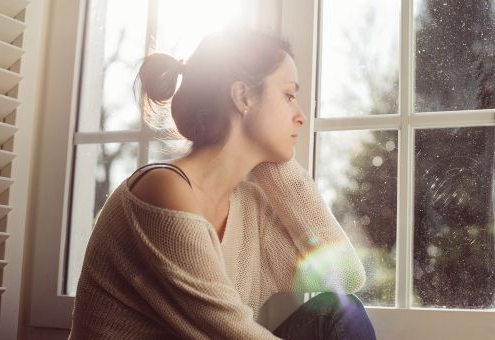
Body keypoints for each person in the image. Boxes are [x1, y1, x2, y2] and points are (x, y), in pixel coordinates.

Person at [69, 28, 377, 340]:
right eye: (288, 95)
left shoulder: (249, 207)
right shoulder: (163, 190)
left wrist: (275, 164)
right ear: (243, 96)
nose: (300, 116)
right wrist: (264, 145)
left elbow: (346, 274)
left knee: (339, 312)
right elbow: (233, 335)